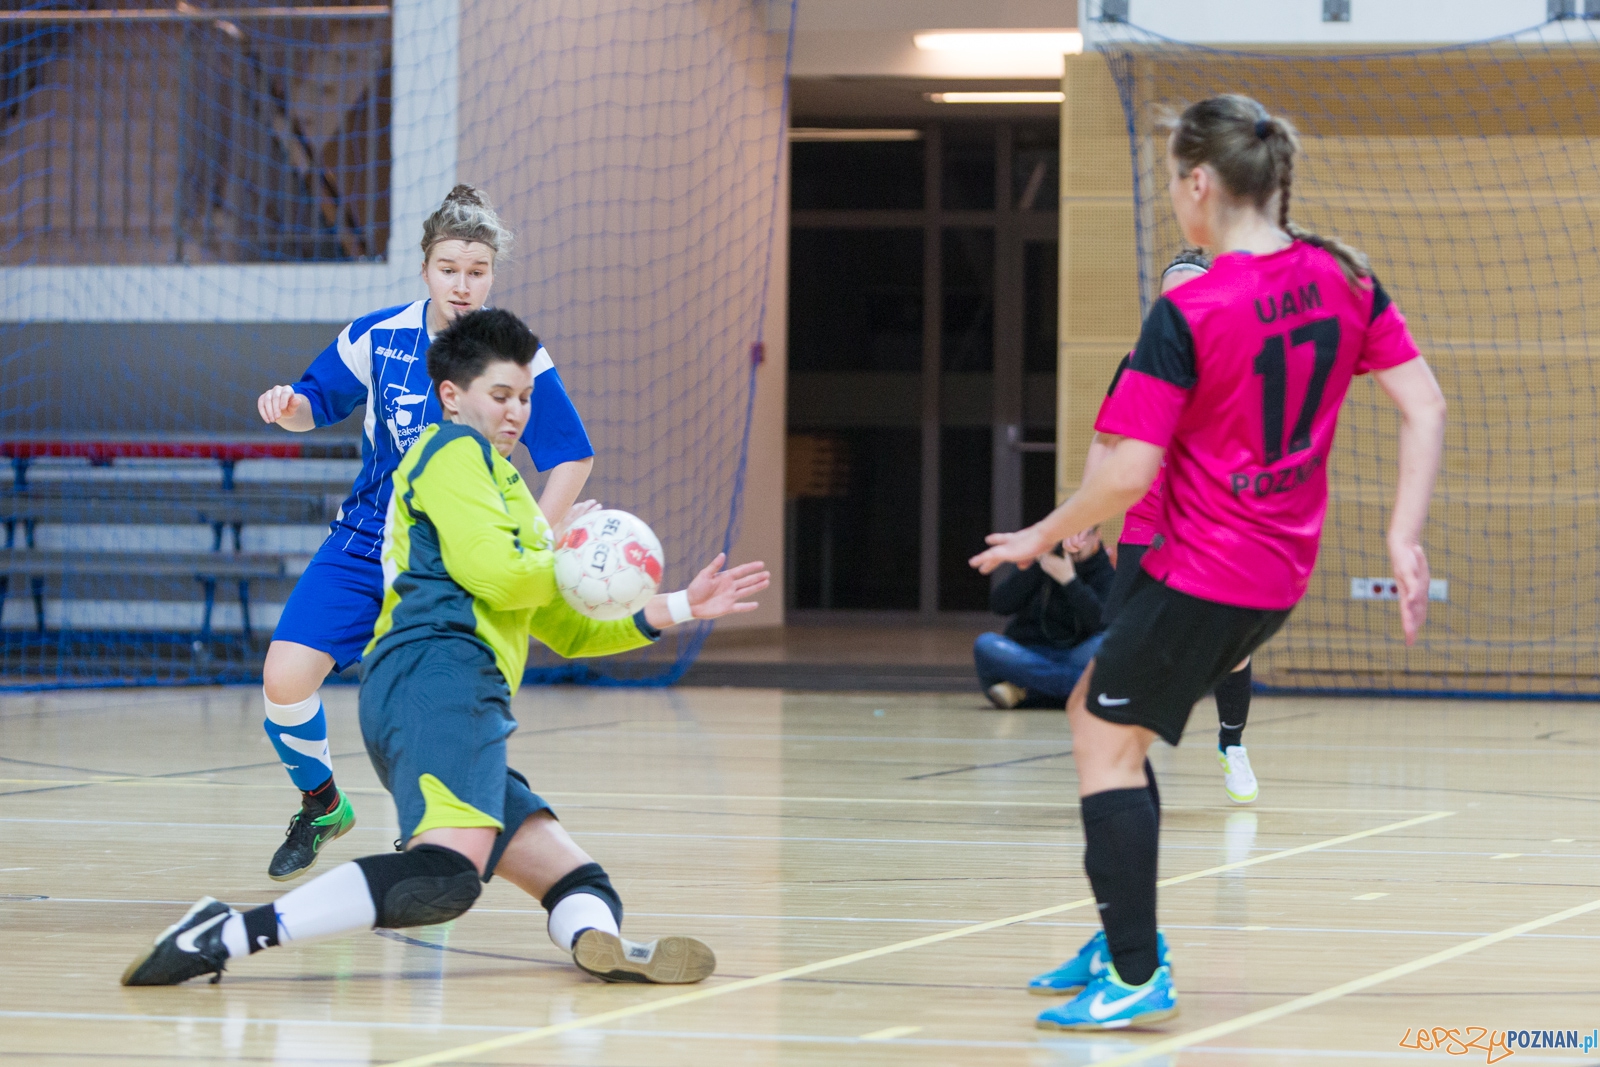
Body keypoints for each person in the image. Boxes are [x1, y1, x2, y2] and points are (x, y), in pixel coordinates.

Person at [970, 94, 1445, 1030]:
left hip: (1207, 569)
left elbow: (1126, 472)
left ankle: (1136, 971)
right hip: (1273, 567)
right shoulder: (1346, 277)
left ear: (1198, 183)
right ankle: (1122, 936)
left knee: (1102, 739)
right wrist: (1403, 534)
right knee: (1099, 713)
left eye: (1172, 184)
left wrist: (1036, 534)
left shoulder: (1190, 307)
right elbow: (1422, 403)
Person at [123, 308, 770, 988]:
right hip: (435, 680)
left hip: (461, 699)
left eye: (525, 397)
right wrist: (561, 551)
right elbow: (498, 574)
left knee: (577, 878)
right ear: (452, 396)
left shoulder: (508, 487)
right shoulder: (448, 454)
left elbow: (567, 627)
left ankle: (600, 943)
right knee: (442, 879)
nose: (517, 411)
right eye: (501, 394)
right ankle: (223, 934)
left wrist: (680, 605)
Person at [253, 185, 597, 882]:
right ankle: (322, 805)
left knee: (430, 710)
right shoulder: (378, 336)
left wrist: (531, 535)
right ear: (425, 269)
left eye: (477, 270)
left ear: (492, 275)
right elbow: (313, 405)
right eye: (449, 269)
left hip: (448, 560)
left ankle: (438, 843)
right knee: (283, 683)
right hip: (364, 540)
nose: (462, 284)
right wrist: (286, 406)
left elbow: (571, 455)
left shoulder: (515, 355)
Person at [1088, 250, 1261, 805]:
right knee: (1123, 642)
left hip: (1214, 525)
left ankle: (1231, 743)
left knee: (1232, 644)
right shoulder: (1138, 361)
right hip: (1146, 522)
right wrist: (1088, 511)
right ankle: (1126, 763)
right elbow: (1105, 440)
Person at [975, 529, 1114, 709]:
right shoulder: (1040, 559)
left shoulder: (1104, 571)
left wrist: (1070, 581)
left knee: (1107, 642)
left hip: (1076, 654)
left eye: (1081, 535)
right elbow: (1000, 606)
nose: (1072, 543)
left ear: (1097, 536)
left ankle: (1025, 691)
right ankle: (1084, 689)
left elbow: (1103, 624)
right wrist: (1035, 567)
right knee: (985, 644)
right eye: (1068, 533)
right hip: (1029, 653)